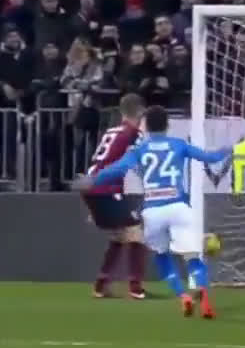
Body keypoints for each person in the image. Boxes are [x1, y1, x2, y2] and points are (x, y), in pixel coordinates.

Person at [73, 106, 232, 319]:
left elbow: (116, 170)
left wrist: (94, 180)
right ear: (167, 125)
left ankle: (183, 296)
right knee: (193, 257)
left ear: (146, 127)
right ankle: (203, 294)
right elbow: (210, 158)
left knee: (162, 257)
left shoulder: (139, 150)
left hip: (153, 211)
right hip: (179, 207)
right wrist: (228, 149)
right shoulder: (179, 145)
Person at [82, 93, 147, 299]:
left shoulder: (111, 131)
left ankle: (101, 285)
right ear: (140, 112)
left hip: (91, 187)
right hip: (106, 189)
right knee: (135, 232)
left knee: (120, 234)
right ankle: (135, 287)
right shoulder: (133, 134)